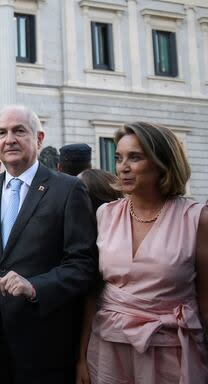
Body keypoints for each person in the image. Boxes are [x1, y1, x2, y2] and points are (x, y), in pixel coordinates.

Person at [0, 105, 98, 383]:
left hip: (44, 341)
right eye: (2, 133)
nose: (10, 139)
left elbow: (83, 265)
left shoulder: (68, 190)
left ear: (39, 139)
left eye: (19, 131)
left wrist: (35, 287)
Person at [77, 122, 208, 383]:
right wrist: (81, 357)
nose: (122, 167)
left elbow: (206, 297)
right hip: (109, 349)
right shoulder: (105, 214)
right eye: (118, 157)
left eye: (134, 157)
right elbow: (94, 292)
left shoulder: (197, 219)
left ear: (162, 163)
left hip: (172, 352)